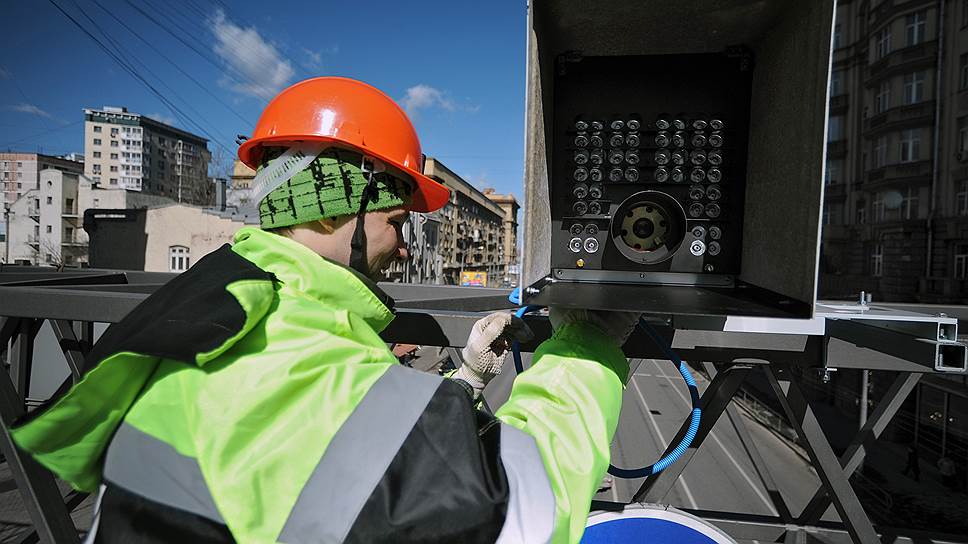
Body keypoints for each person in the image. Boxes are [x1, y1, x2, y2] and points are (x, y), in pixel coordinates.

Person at [12, 77, 638, 543]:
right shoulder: (288, 359)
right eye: (396, 221)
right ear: (336, 204)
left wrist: (467, 380)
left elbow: (340, 464)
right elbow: (524, 507)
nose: (400, 247)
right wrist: (589, 343)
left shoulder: (229, 304)